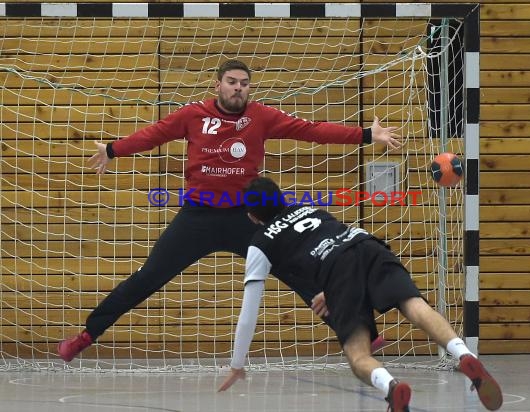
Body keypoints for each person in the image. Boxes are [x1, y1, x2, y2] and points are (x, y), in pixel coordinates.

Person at [57, 59, 398, 361]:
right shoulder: (193, 114)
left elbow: (311, 132)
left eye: (244, 84)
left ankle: (362, 333)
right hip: (198, 218)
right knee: (147, 278)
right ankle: (86, 336)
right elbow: (155, 134)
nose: (238, 88)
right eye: (232, 82)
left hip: (246, 217)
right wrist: (114, 150)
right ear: (217, 85)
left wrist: (367, 134)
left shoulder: (261, 116)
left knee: (300, 272)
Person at [217, 177, 503, 412]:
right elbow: (335, 245)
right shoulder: (311, 209)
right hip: (365, 244)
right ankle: (464, 353)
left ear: (252, 216)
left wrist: (237, 364)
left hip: (337, 271)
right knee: (415, 305)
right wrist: (332, 289)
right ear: (281, 197)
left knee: (357, 354)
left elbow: (248, 314)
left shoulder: (260, 243)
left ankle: (392, 387)